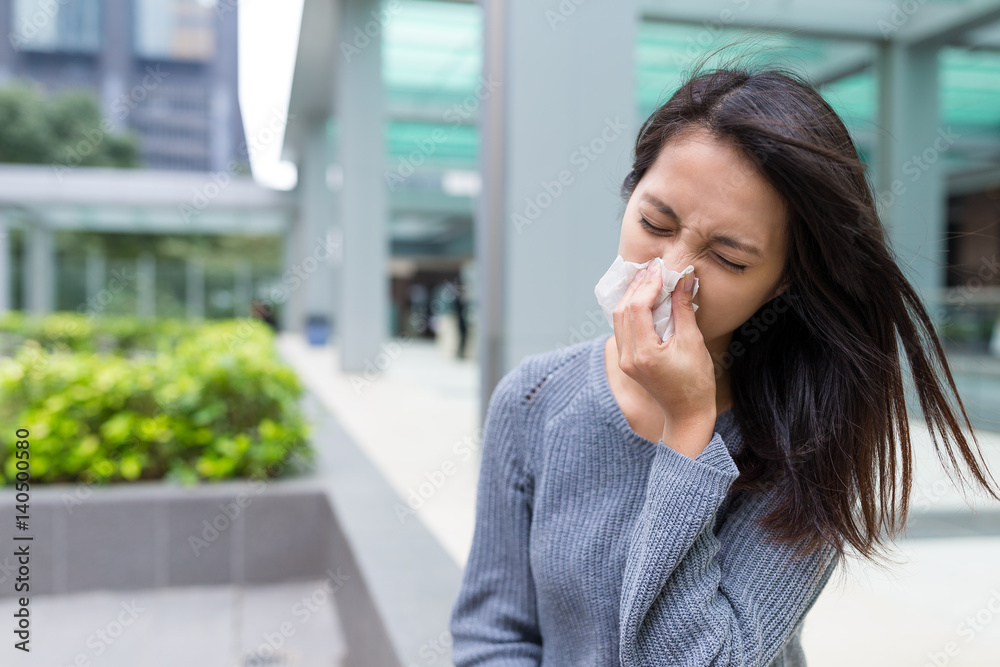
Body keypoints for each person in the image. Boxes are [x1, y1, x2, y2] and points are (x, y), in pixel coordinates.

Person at [449, 48, 1000, 666]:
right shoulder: (534, 399)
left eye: (730, 258)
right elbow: (493, 637)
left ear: (783, 283)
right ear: (630, 195)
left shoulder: (809, 441)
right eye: (655, 222)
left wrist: (688, 430)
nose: (672, 272)